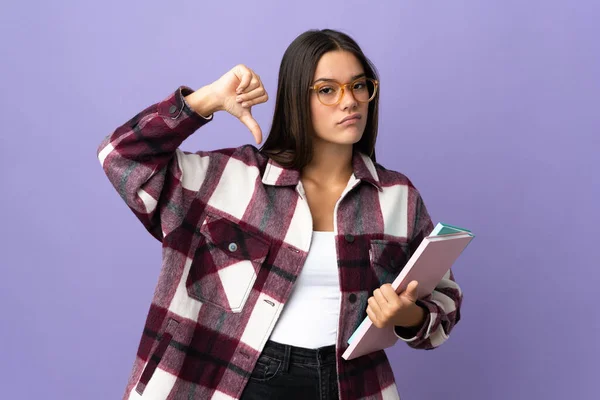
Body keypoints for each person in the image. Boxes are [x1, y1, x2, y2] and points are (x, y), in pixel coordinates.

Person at [97, 28, 462, 400]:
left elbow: (444, 303)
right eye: (327, 89)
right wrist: (204, 101)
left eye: (358, 86)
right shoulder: (227, 179)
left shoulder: (397, 196)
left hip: (350, 384)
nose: (349, 102)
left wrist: (407, 317)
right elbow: (121, 158)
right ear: (295, 101)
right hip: (233, 381)